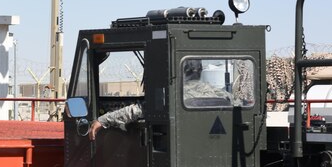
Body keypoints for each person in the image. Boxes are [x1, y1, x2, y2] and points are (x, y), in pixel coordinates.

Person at [88, 59, 234, 141]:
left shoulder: (174, 95)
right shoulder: (223, 95)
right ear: (200, 71)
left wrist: (103, 120)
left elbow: (135, 111)